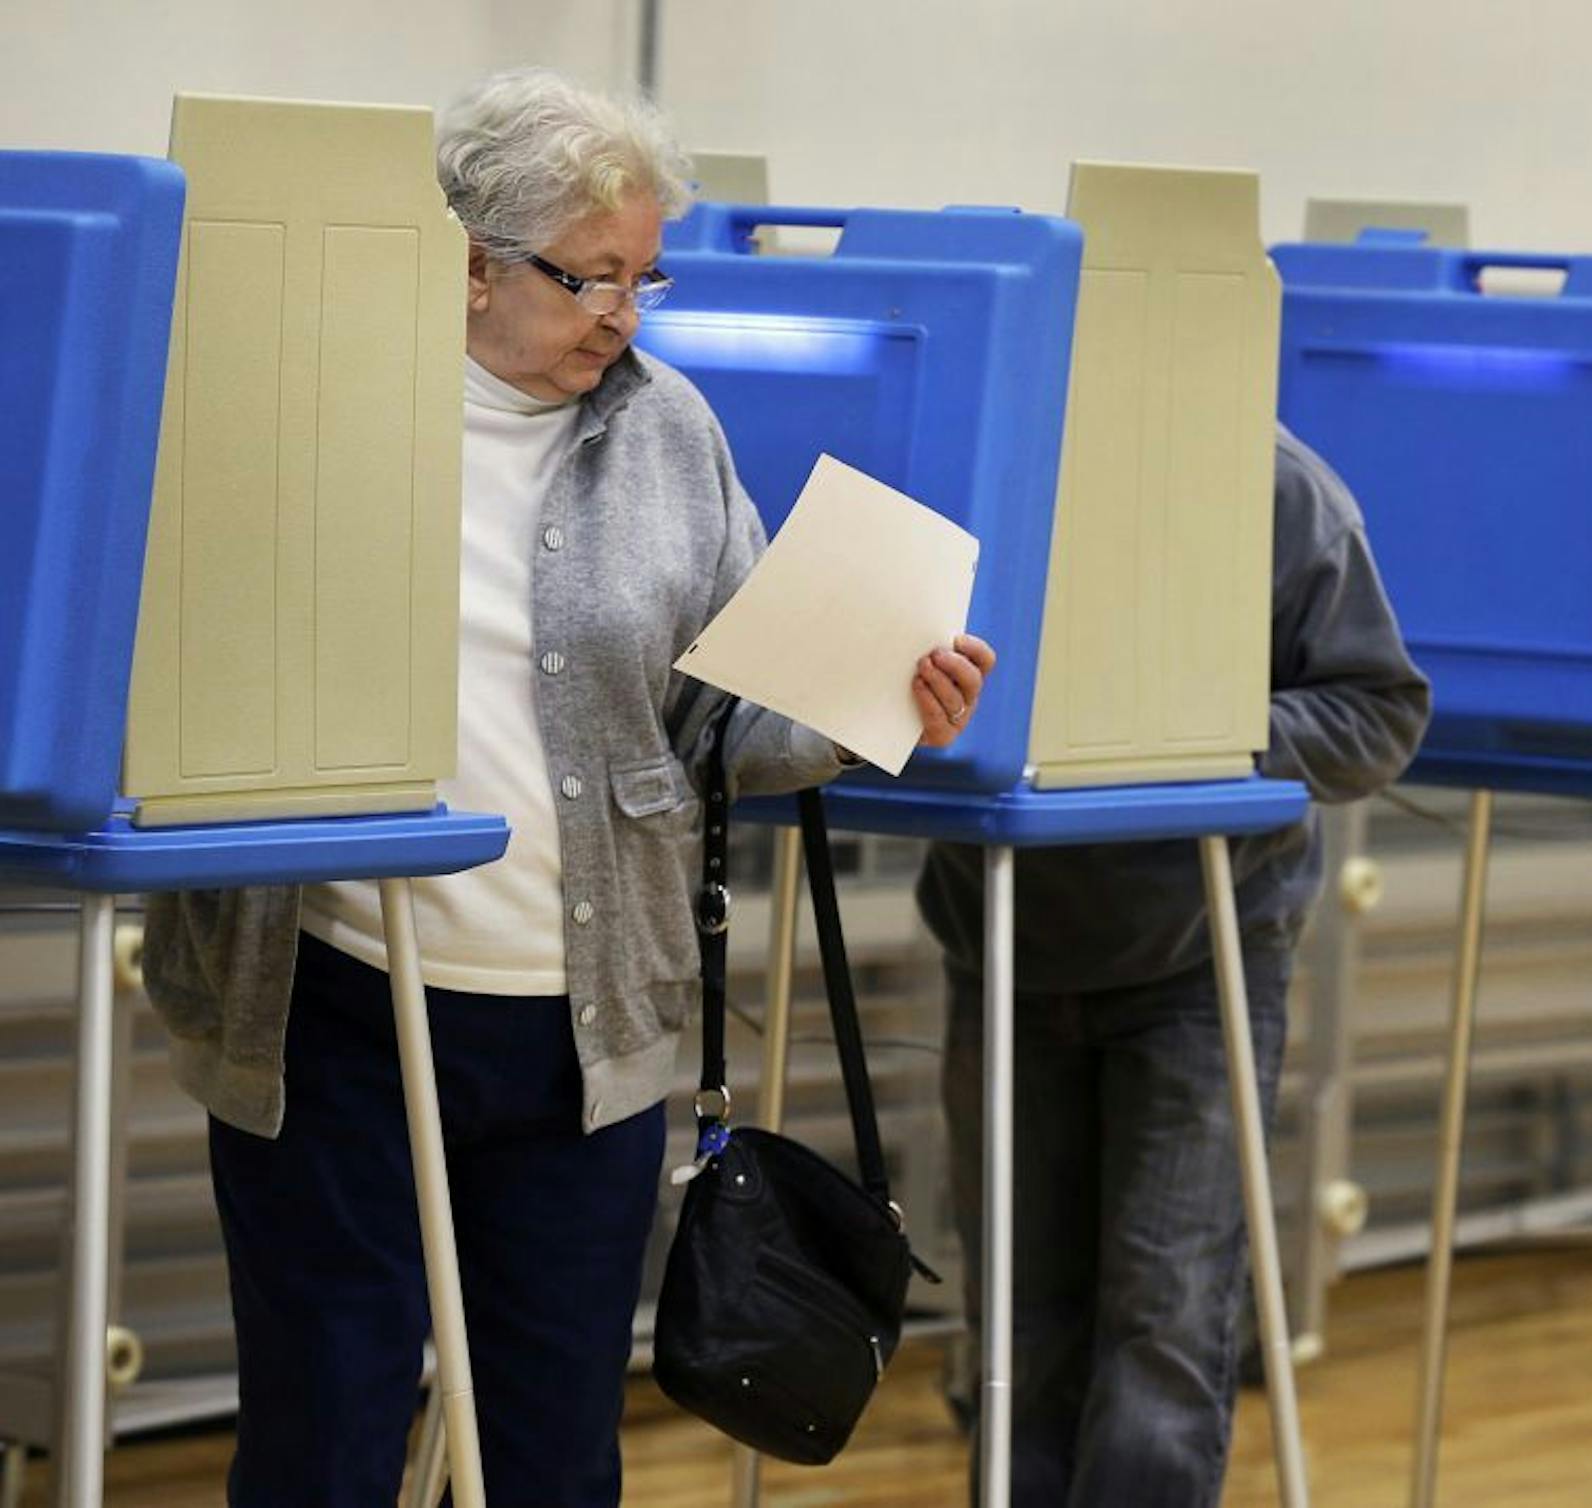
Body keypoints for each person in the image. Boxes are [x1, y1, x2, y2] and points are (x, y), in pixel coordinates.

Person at [142, 68, 995, 1507]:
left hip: (585, 1023)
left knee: (552, 1450)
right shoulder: (319, 405)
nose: (625, 316)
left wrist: (866, 712)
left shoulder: (672, 434)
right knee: (328, 1428)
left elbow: (716, 721)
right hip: (334, 1000)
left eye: (643, 280)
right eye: (593, 279)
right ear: (472, 264)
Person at [917, 428, 1431, 1505]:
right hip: (1004, 938)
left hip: (1203, 958)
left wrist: (1185, 725)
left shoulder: (1283, 484)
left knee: (1166, 1324)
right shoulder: (980, 434)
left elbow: (1380, 712)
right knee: (1020, 1329)